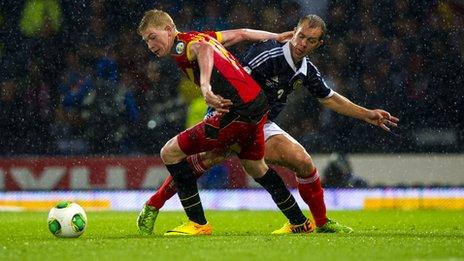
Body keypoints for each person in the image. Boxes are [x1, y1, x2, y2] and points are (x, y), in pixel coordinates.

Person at [138, 14, 400, 234]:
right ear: (293, 32)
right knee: (227, 162)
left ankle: (319, 223)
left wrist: (366, 114)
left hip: (253, 115)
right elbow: (235, 71)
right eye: (300, 36)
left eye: (310, 40)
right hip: (240, 111)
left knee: (301, 162)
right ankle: (156, 205)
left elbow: (329, 98)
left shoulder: (306, 69)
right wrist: (212, 98)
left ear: (318, 44)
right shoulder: (267, 54)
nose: (302, 43)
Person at [137, 9, 314, 236]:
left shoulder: (183, 46)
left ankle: (197, 223)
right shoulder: (201, 35)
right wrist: (275, 36)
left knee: (170, 152)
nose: (150, 45)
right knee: (256, 167)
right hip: (257, 105)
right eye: (146, 41)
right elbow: (240, 33)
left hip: (238, 110)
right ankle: (299, 222)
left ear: (169, 30)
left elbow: (205, 50)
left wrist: (205, 86)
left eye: (153, 36)